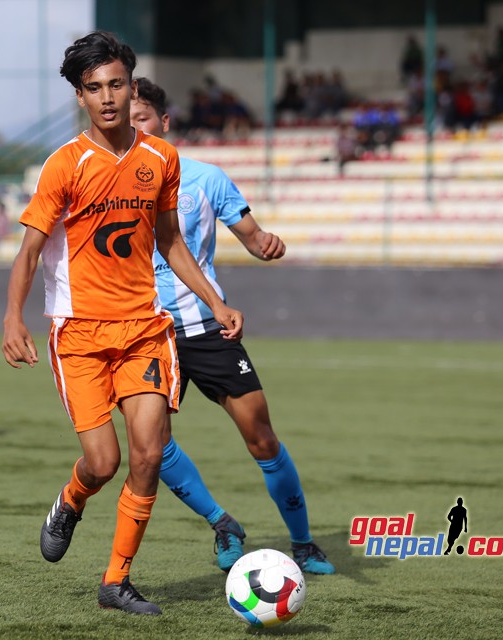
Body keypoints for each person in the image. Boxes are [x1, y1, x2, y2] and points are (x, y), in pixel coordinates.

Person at [1, 31, 243, 616]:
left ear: (132, 86)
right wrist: (12, 316)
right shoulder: (64, 165)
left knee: (148, 453)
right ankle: (71, 498)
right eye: (94, 88)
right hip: (80, 335)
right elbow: (29, 252)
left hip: (144, 330)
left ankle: (116, 582)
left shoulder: (161, 158)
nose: (107, 97)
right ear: (80, 97)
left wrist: (215, 300)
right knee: (104, 463)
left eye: (116, 84)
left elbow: (170, 240)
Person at [130, 77, 335, 575]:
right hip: (141, 331)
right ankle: (222, 522)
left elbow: (252, 234)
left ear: (164, 122)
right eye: (127, 120)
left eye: (143, 118)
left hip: (204, 325)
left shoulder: (205, 178)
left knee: (261, 436)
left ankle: (303, 543)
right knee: (151, 446)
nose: (135, 128)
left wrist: (266, 244)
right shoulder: (106, 181)